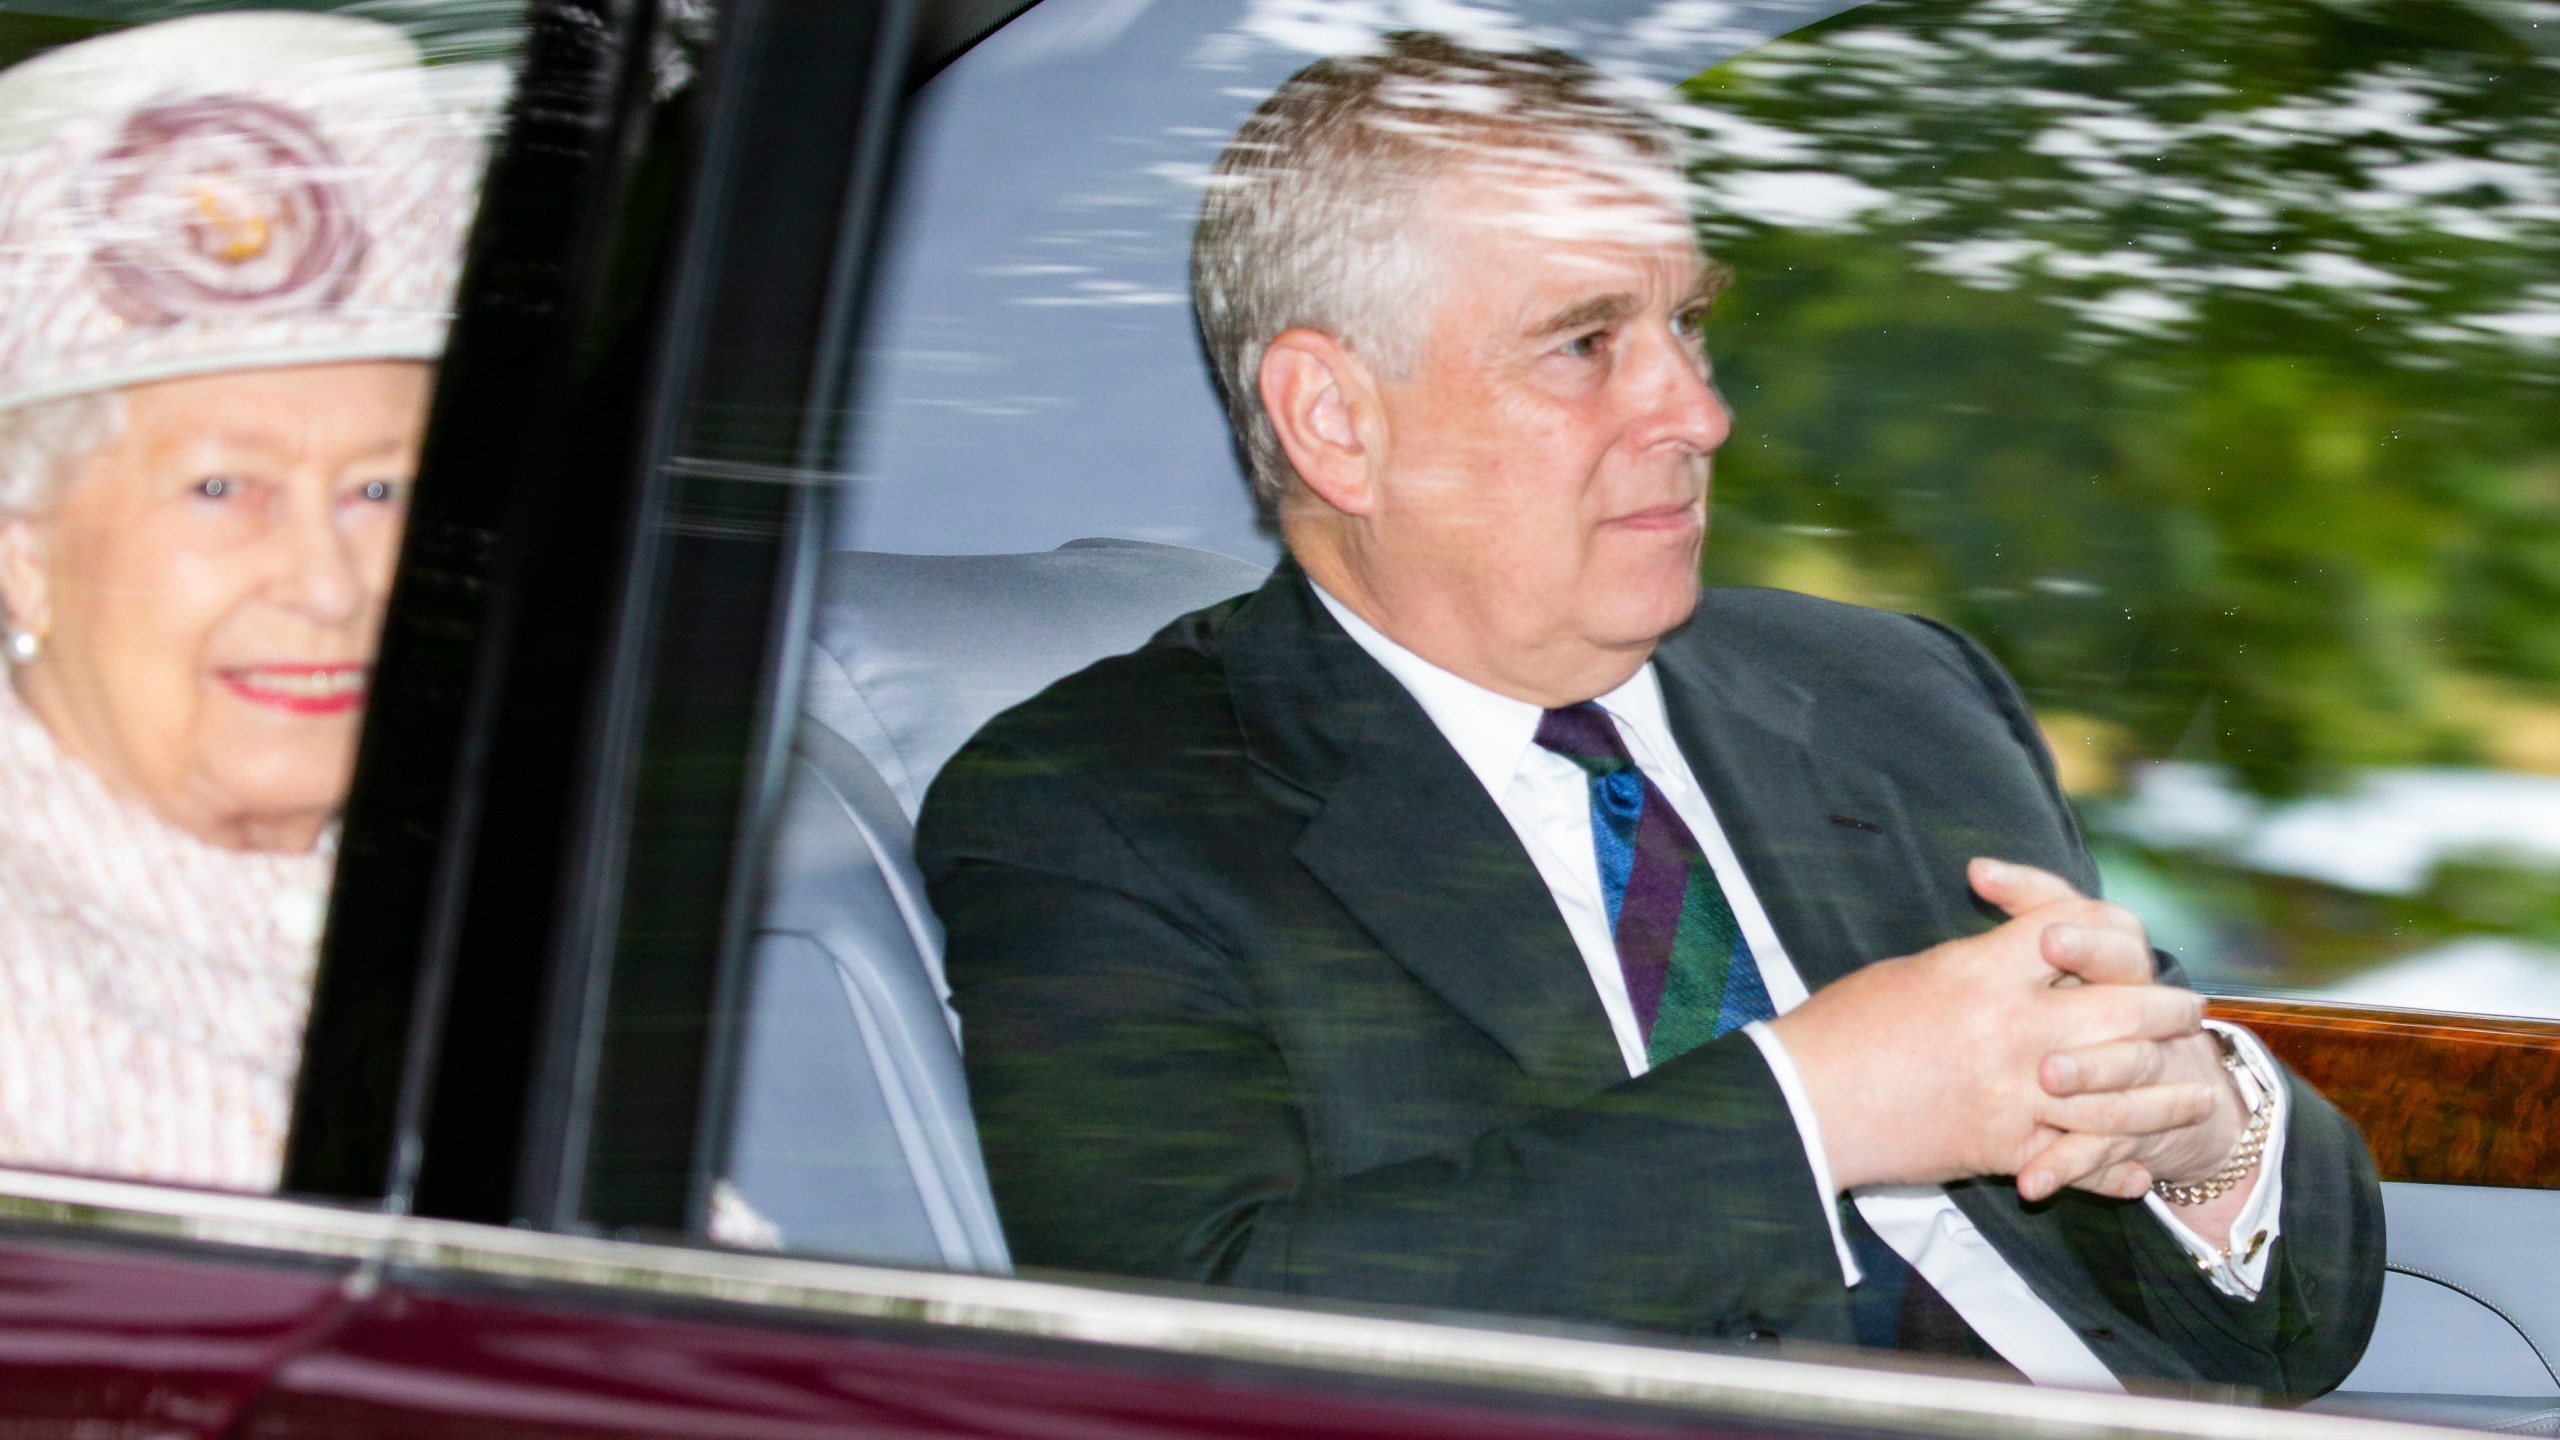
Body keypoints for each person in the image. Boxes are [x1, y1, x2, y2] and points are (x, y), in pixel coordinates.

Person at [916, 32, 2382, 1396]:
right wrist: (1816, 1107)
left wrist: (2207, 1131)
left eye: (1686, 324)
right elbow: (1193, 1341)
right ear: (1336, 420)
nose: (1697, 411)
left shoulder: (1894, 692)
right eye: (1586, 342)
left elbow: (2294, 1333)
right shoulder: (1105, 806)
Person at [0, 13, 496, 1190]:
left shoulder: (480, 867)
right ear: (20, 553)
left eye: (381, 488)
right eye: (223, 488)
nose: (331, 585)